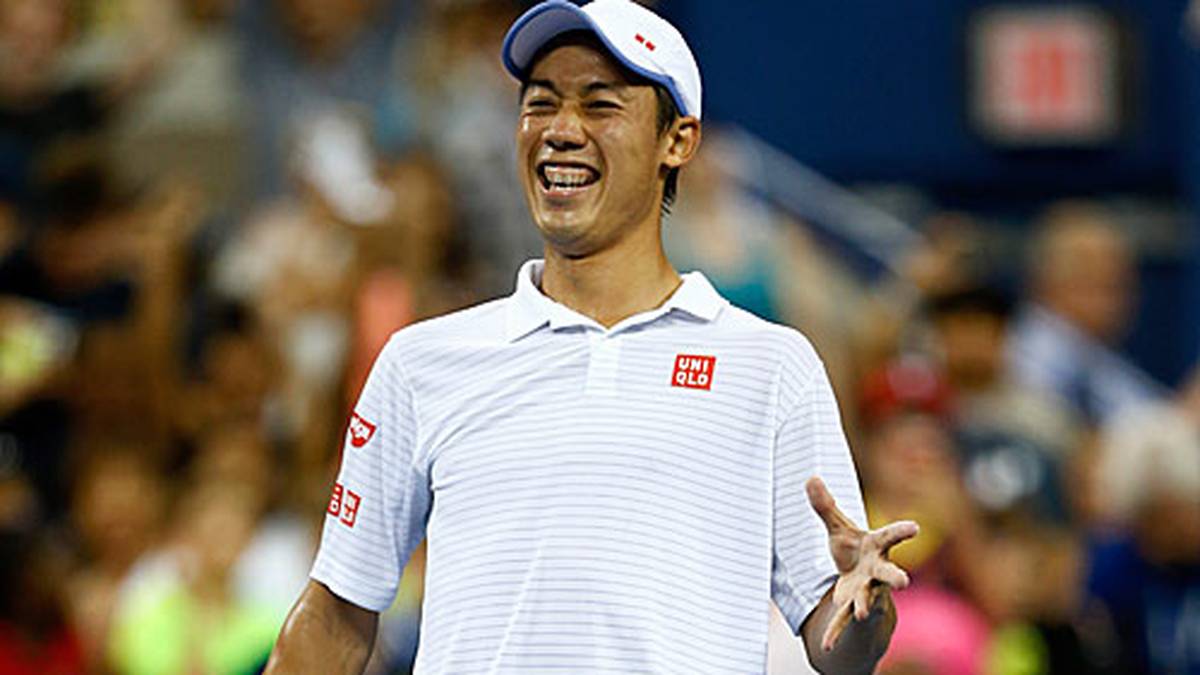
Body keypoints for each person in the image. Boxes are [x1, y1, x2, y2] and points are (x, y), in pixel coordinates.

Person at [265, 1, 918, 672]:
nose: (560, 131)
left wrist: (865, 606)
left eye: (600, 106)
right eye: (540, 104)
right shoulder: (420, 363)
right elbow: (336, 617)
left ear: (678, 141)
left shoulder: (773, 367)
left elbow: (841, 646)